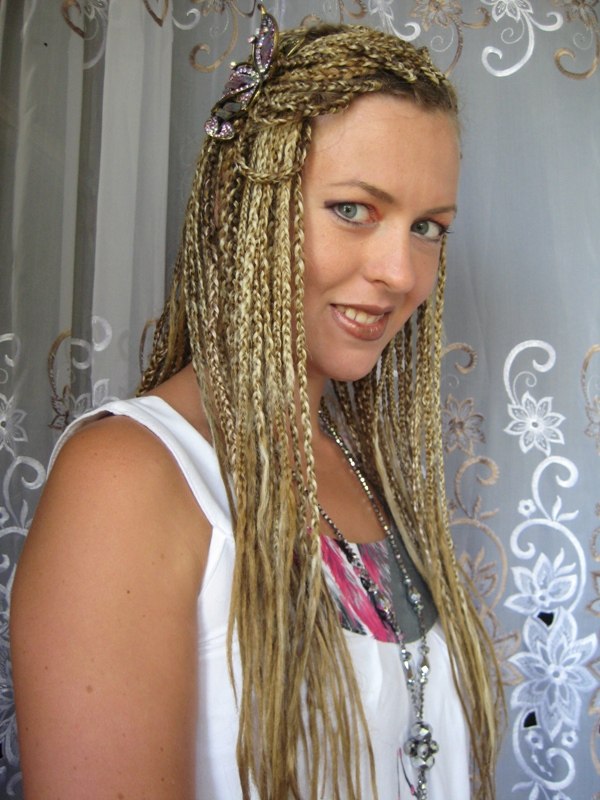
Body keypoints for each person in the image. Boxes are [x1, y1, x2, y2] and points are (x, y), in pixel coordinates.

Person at [10, 7, 503, 799]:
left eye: (428, 227)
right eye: (353, 209)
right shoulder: (131, 478)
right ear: (235, 208)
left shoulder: (362, 469)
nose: (402, 273)